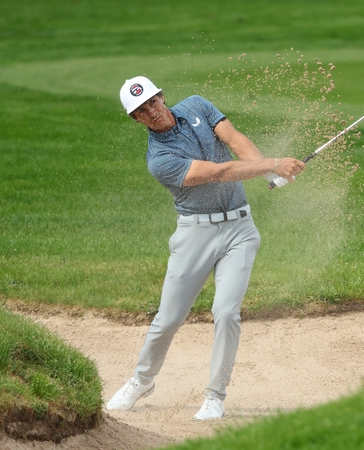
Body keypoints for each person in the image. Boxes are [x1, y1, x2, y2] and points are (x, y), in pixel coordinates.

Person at [106, 76, 305, 420]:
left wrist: (267, 172)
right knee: (168, 320)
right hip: (194, 235)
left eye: (152, 101)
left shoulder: (197, 105)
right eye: (141, 111)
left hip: (239, 229)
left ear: (162, 96)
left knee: (226, 312)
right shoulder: (160, 159)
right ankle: (142, 380)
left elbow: (234, 140)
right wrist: (273, 165)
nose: (151, 111)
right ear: (136, 120)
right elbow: (217, 172)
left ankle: (215, 394)